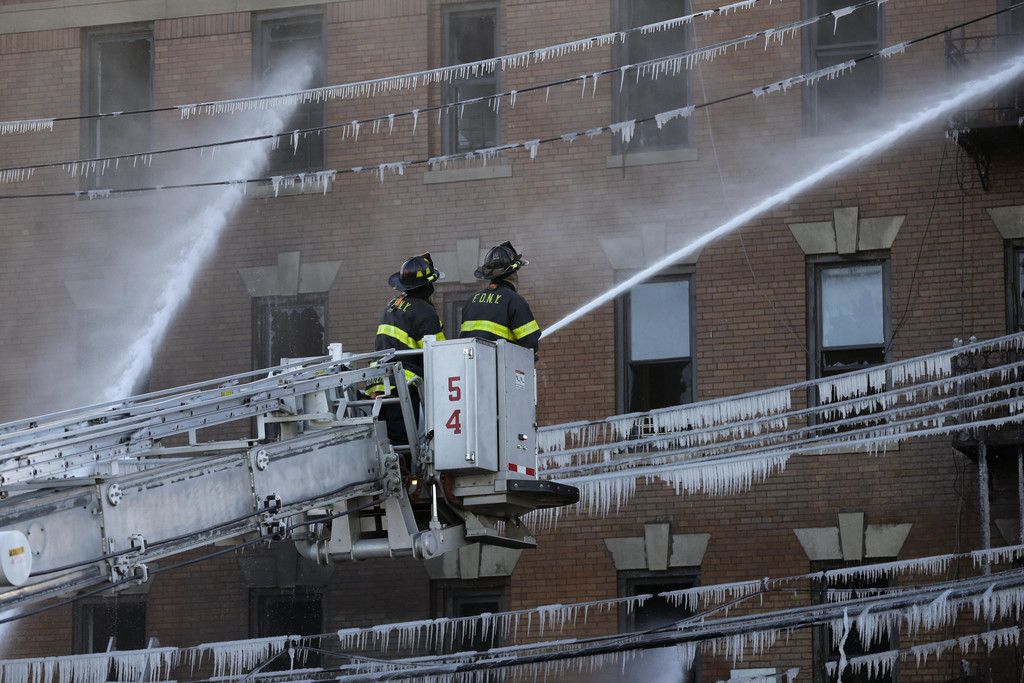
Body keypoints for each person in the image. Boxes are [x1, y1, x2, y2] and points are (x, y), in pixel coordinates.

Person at [369, 253, 446, 446]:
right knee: (406, 447)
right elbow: (441, 354)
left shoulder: (392, 305)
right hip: (404, 385)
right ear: (427, 286)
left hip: (378, 383)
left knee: (387, 445)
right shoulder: (424, 311)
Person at [459, 241, 541, 355]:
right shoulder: (515, 301)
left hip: (471, 366)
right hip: (500, 368)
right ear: (512, 273)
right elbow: (530, 341)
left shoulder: (472, 300)